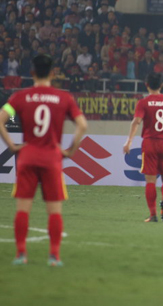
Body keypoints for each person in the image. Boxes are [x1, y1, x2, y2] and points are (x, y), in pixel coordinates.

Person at [0, 54, 88, 266]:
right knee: (54, 210)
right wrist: (70, 150)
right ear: (52, 73)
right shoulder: (64, 98)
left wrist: (12, 146)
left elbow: (1, 119)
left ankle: (21, 254)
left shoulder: (19, 97)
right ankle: (54, 256)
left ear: (31, 73)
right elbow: (82, 125)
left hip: (27, 157)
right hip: (51, 158)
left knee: (23, 209)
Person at [123, 73, 163, 222]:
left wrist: (129, 142)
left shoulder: (143, 103)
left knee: (150, 181)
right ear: (161, 85)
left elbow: (136, 122)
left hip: (149, 143)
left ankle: (153, 215)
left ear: (147, 85)